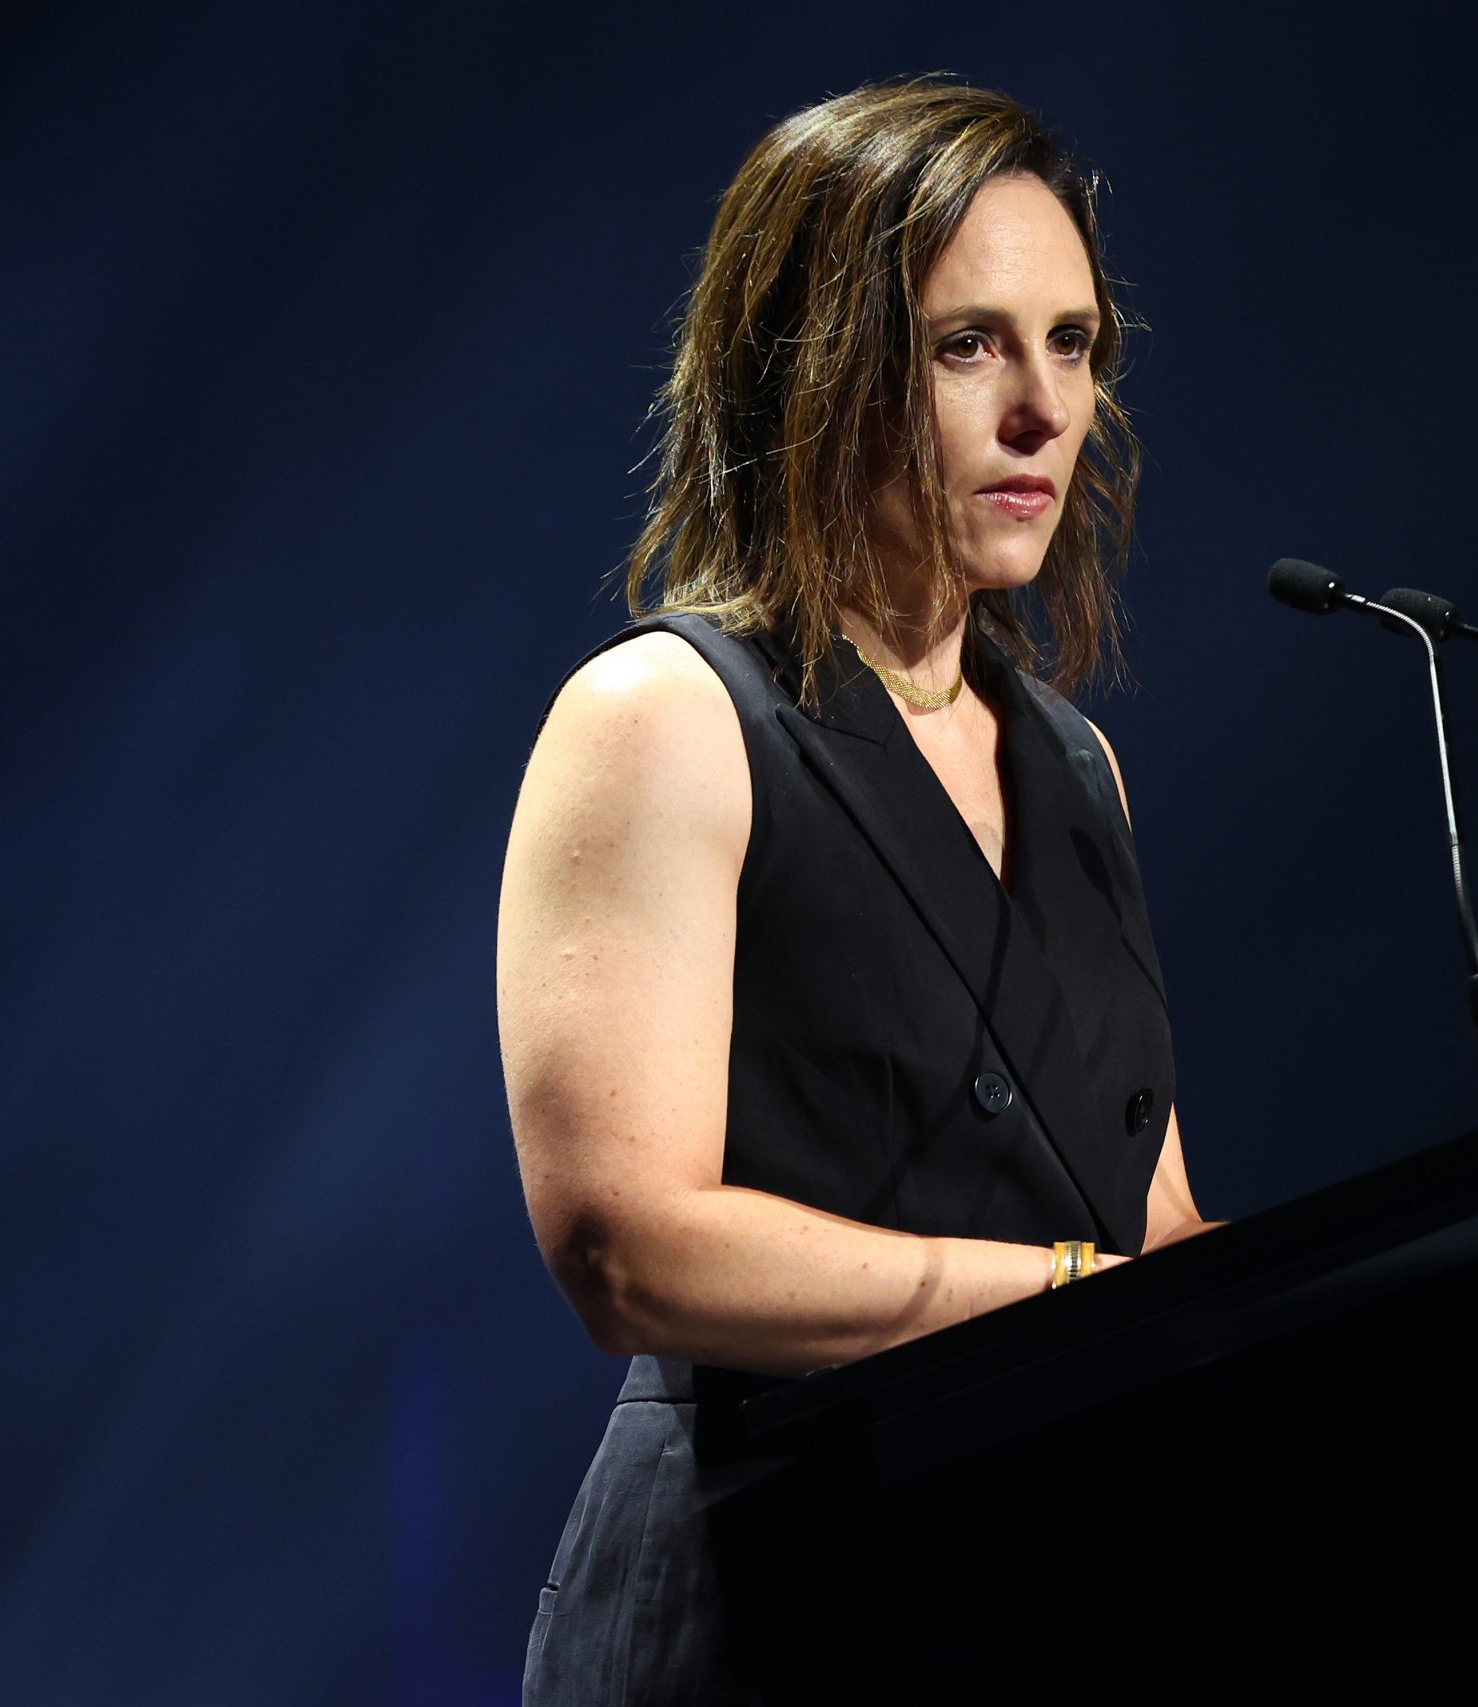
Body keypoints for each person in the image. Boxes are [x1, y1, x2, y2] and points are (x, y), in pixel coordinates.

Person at [495, 80, 1212, 1702]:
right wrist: (1061, 1300)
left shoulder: (1078, 769)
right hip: (765, 1601)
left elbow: (1149, 1219)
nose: (1042, 409)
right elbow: (627, 1246)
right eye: (971, 345)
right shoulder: (668, 723)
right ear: (818, 363)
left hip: (1033, 1586)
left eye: (1074, 343)